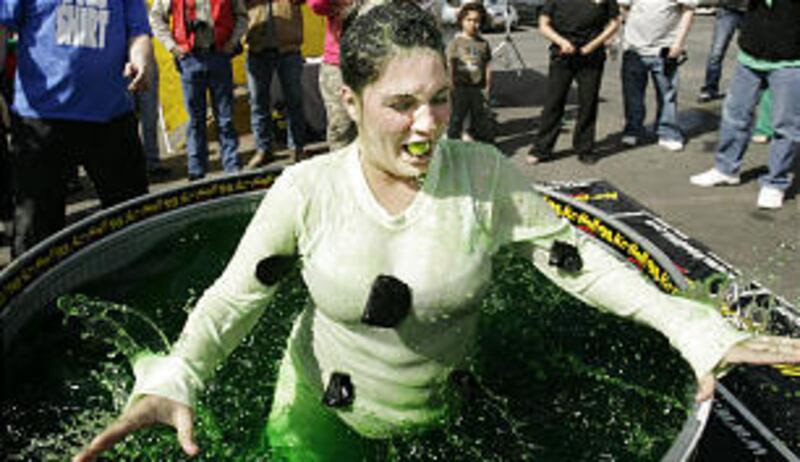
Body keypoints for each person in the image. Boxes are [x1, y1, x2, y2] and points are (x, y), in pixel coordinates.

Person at [73, 3, 800, 461]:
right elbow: (237, 297)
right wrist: (180, 375)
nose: (427, 127)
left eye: (441, 100)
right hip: (316, 418)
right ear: (350, 101)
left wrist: (688, 324)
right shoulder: (307, 190)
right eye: (401, 105)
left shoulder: (485, 177)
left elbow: (579, 262)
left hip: (439, 410)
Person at [0, 0, 153, 257]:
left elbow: (138, 33)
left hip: (111, 116)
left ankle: (135, 279)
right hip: (41, 119)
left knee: (133, 219)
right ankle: (39, 285)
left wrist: (142, 61)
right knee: (36, 233)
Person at [690, 0, 800, 210]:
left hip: (790, 62)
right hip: (750, 56)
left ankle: (775, 182)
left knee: (786, 126)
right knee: (735, 115)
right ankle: (726, 168)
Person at [149, 0, 248, 181]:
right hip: (190, 59)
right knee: (195, 119)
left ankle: (232, 166)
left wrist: (233, 41)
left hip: (219, 56)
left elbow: (242, 16)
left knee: (225, 117)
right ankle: (196, 170)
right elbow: (156, 17)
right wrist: (172, 46)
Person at [526, 0, 621, 165]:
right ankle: (541, 149)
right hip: (562, 56)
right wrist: (561, 42)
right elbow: (543, 24)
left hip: (591, 57)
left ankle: (585, 149)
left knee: (588, 103)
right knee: (554, 103)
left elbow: (615, 22)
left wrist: (593, 45)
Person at [618, 0, 696, 152]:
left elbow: (688, 10)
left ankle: (668, 132)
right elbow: (623, 6)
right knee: (632, 95)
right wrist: (630, 31)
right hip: (634, 49)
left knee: (667, 94)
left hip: (665, 49)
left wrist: (678, 43)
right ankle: (633, 129)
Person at [243, 0, 309, 169]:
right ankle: (263, 149)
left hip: (289, 47)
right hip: (256, 48)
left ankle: (297, 147)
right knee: (258, 102)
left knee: (294, 100)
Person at [308, 0, 359, 151]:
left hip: (378, 61)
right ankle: (341, 164)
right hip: (338, 65)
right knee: (342, 126)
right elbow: (316, 4)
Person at [446, 2, 494, 144]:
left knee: (480, 116)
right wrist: (450, 84)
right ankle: (452, 142)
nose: (473, 24)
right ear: (461, 21)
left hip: (477, 88)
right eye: (469, 20)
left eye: (477, 20)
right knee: (456, 117)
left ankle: (481, 142)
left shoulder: (483, 44)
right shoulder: (455, 43)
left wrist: (488, 85)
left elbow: (487, 65)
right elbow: (450, 64)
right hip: (460, 87)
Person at [696, 0, 747, 103]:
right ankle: (710, 88)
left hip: (751, 11)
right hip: (727, 9)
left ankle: (750, 91)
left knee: (751, 53)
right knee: (717, 52)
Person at [135, 58, 172, 179]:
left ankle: (153, 162)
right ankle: (133, 164)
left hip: (146, 66)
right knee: (126, 121)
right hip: (120, 69)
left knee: (150, 118)